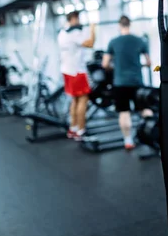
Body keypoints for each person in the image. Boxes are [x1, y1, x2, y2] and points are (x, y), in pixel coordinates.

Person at [102, 16, 154, 150]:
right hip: (137, 81)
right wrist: (139, 66)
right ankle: (153, 136)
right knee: (145, 109)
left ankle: (128, 140)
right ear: (129, 25)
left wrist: (116, 67)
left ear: (120, 25)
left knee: (124, 112)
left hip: (120, 83)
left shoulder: (113, 42)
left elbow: (105, 64)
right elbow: (149, 63)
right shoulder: (140, 41)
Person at [58, 11, 96, 140]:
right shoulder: (74, 33)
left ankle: (73, 128)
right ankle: (81, 130)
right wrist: (92, 29)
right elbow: (90, 43)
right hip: (76, 71)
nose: (79, 21)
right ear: (73, 19)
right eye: (78, 19)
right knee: (83, 100)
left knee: (74, 100)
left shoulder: (62, 32)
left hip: (67, 70)